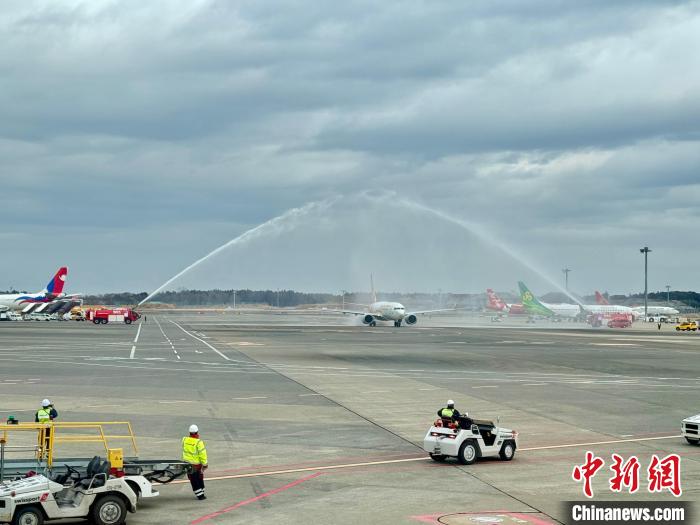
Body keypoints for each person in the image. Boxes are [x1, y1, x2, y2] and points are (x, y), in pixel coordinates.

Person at [182, 424, 208, 500]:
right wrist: (205, 464)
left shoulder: (184, 440)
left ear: (189, 432)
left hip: (187, 464)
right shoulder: (199, 442)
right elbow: (203, 454)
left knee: (193, 479)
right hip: (197, 465)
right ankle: (201, 495)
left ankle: (200, 493)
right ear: (197, 432)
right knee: (199, 478)